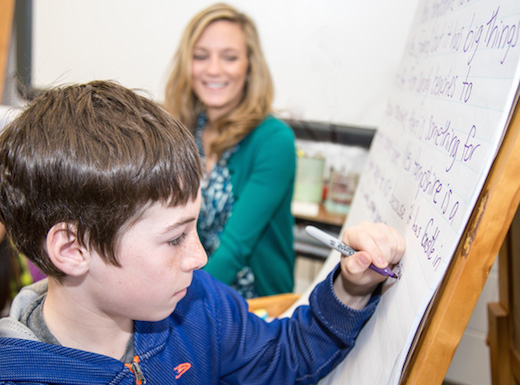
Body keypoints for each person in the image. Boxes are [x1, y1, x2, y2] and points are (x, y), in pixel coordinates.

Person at [0, 81, 404, 384]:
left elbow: (285, 357)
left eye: (194, 227)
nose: (200, 257)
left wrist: (350, 290)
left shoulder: (198, 305)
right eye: (175, 238)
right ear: (72, 249)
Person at [164, 3, 296, 298]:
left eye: (230, 57)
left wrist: (180, 304)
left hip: (251, 302)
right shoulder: (183, 130)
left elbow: (235, 248)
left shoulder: (274, 140)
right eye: (200, 56)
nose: (213, 69)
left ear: (249, 66)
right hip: (190, 287)